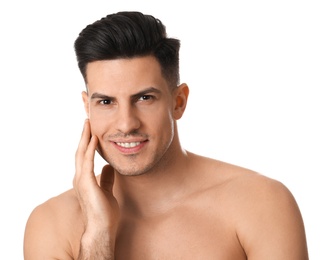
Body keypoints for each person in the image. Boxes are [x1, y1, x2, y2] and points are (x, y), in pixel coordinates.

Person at [23, 11, 309, 259]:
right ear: (87, 106)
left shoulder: (261, 204)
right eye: (106, 102)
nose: (126, 124)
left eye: (144, 98)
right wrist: (97, 235)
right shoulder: (51, 224)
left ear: (178, 101)